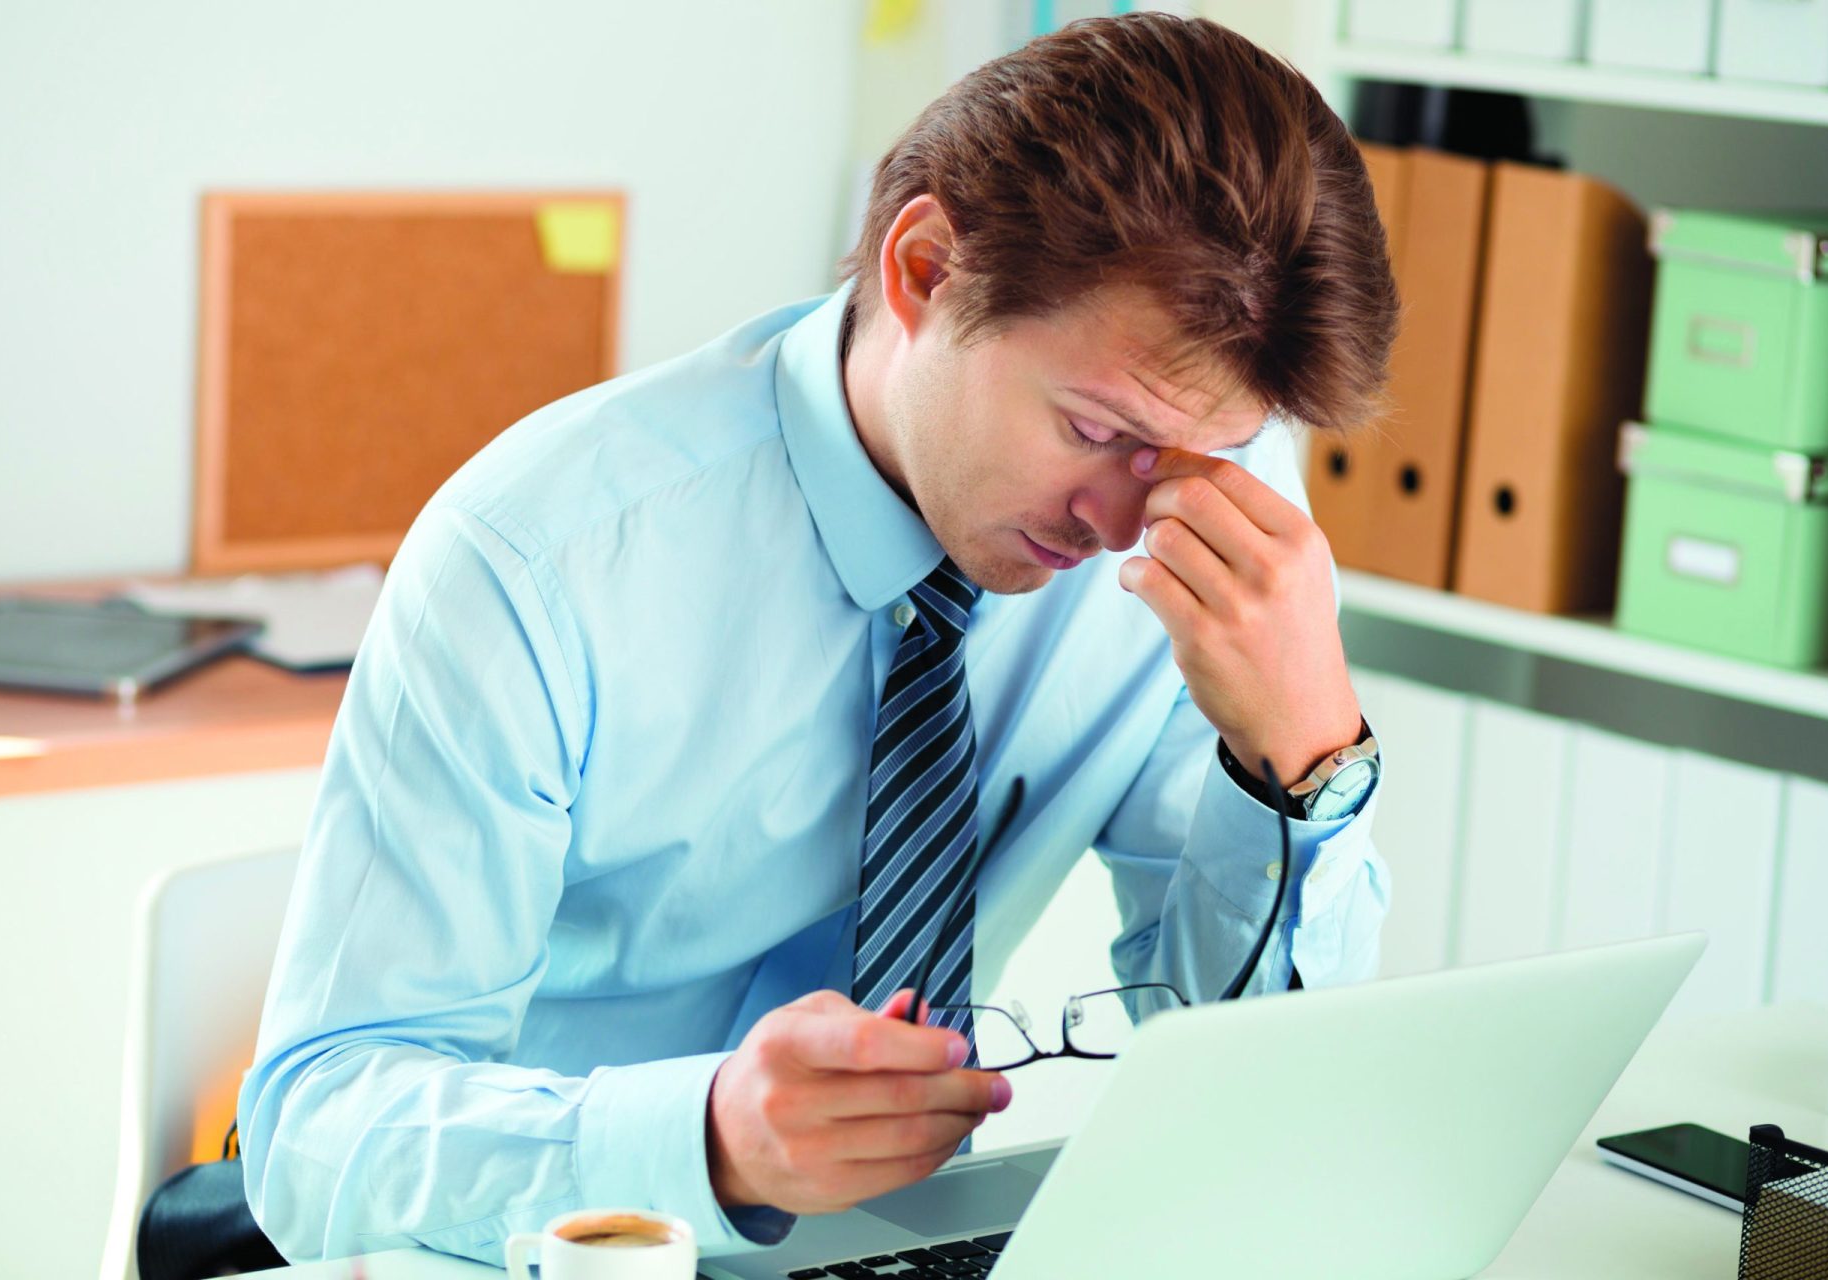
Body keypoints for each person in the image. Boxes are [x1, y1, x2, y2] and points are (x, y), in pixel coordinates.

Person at [238, 12, 1398, 1267]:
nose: (1126, 521)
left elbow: (1234, 1092)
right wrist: (707, 1135)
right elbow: (314, 1134)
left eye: (1196, 455)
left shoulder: (1207, 513)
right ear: (925, 268)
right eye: (1090, 430)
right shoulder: (540, 561)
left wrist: (1301, 757)